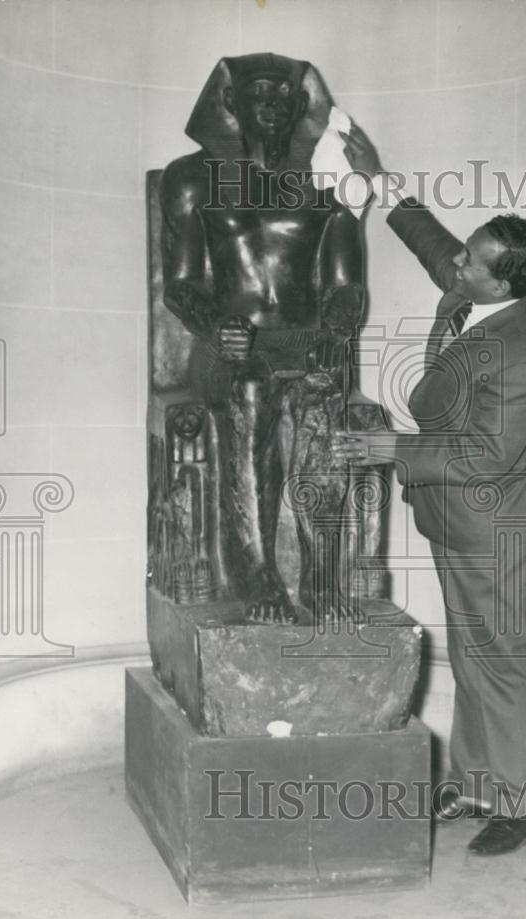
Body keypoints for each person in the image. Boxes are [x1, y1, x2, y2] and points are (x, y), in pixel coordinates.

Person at [334, 124, 526, 856]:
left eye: (470, 263)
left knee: (497, 654)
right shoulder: (480, 294)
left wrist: (393, 448)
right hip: (463, 518)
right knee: (473, 653)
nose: (455, 265)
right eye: (466, 254)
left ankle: (519, 803)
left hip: (498, 522)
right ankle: (476, 782)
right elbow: (435, 246)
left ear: (501, 284)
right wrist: (379, 178)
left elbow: (486, 455)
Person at [160, 55, 380, 624]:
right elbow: (180, 285)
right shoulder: (192, 177)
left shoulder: (326, 177)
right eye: (259, 93)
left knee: (323, 392)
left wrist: (337, 332)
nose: (274, 106)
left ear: (301, 104)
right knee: (251, 387)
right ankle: (254, 570)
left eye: (285, 96)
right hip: (228, 344)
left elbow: (344, 284)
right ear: (229, 104)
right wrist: (215, 324)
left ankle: (322, 571)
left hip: (305, 337)